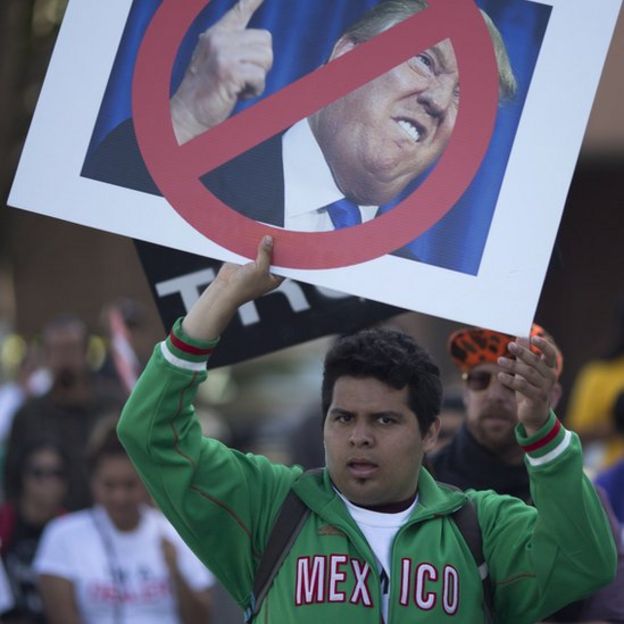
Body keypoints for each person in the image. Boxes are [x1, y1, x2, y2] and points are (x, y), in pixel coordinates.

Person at [117, 236, 615, 623]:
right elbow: (152, 433)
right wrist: (221, 297)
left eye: (385, 419)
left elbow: (584, 560)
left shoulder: (481, 526)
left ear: (430, 433)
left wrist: (541, 431)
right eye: (343, 417)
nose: (359, 436)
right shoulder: (268, 505)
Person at [86, 0, 516, 233]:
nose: (439, 101)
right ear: (348, 57)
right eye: (424, 59)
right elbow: (99, 223)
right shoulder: (198, 176)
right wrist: (183, 124)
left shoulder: (401, 280)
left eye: (468, 97)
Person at [431, 324, 624, 622]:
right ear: (465, 393)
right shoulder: (422, 483)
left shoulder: (582, 500)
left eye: (513, 382)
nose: (495, 394)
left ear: (553, 395)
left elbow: (609, 604)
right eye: (480, 379)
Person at [33, 417, 214, 624]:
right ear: (92, 481)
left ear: (147, 482)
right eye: (109, 485)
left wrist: (176, 573)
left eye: (130, 485)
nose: (120, 497)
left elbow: (202, 619)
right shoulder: (62, 535)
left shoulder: (176, 532)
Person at [4, 316, 125, 510]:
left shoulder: (114, 405)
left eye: (71, 349)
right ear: (46, 355)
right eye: (57, 351)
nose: (64, 359)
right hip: (50, 524)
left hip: (111, 517)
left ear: (85, 352)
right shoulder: (28, 415)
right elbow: (13, 482)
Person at [0, 439, 68, 623]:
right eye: (38, 473)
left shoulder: (70, 528)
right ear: (23, 477)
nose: (48, 482)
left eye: (56, 473)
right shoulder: (4, 522)